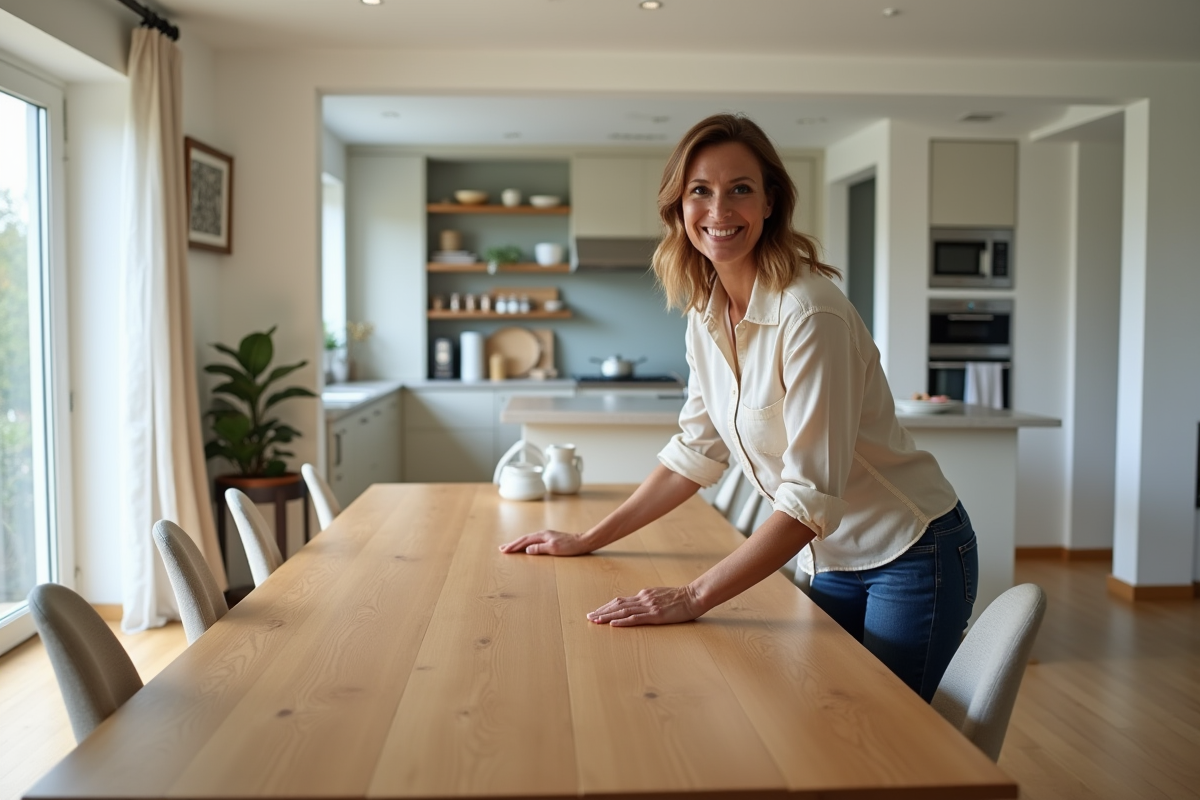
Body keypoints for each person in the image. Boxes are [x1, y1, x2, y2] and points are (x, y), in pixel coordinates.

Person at [499, 113, 976, 702]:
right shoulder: (707, 314)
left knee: (891, 736)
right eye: (700, 190)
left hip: (909, 553)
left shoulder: (810, 314)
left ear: (771, 202)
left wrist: (691, 596)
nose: (719, 211)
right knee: (826, 718)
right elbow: (694, 453)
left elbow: (807, 499)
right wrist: (587, 538)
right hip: (829, 558)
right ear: (679, 208)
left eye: (740, 190)